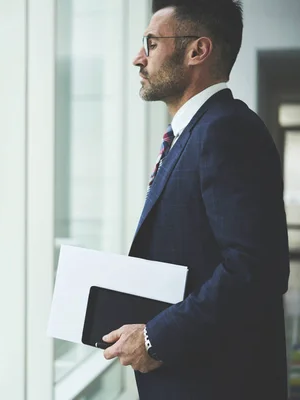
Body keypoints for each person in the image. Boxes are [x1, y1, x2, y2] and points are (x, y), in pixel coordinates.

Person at [101, 0, 290, 398]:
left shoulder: (227, 130)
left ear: (196, 51)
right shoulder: (195, 133)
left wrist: (155, 338)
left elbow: (255, 270)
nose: (139, 58)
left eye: (151, 43)